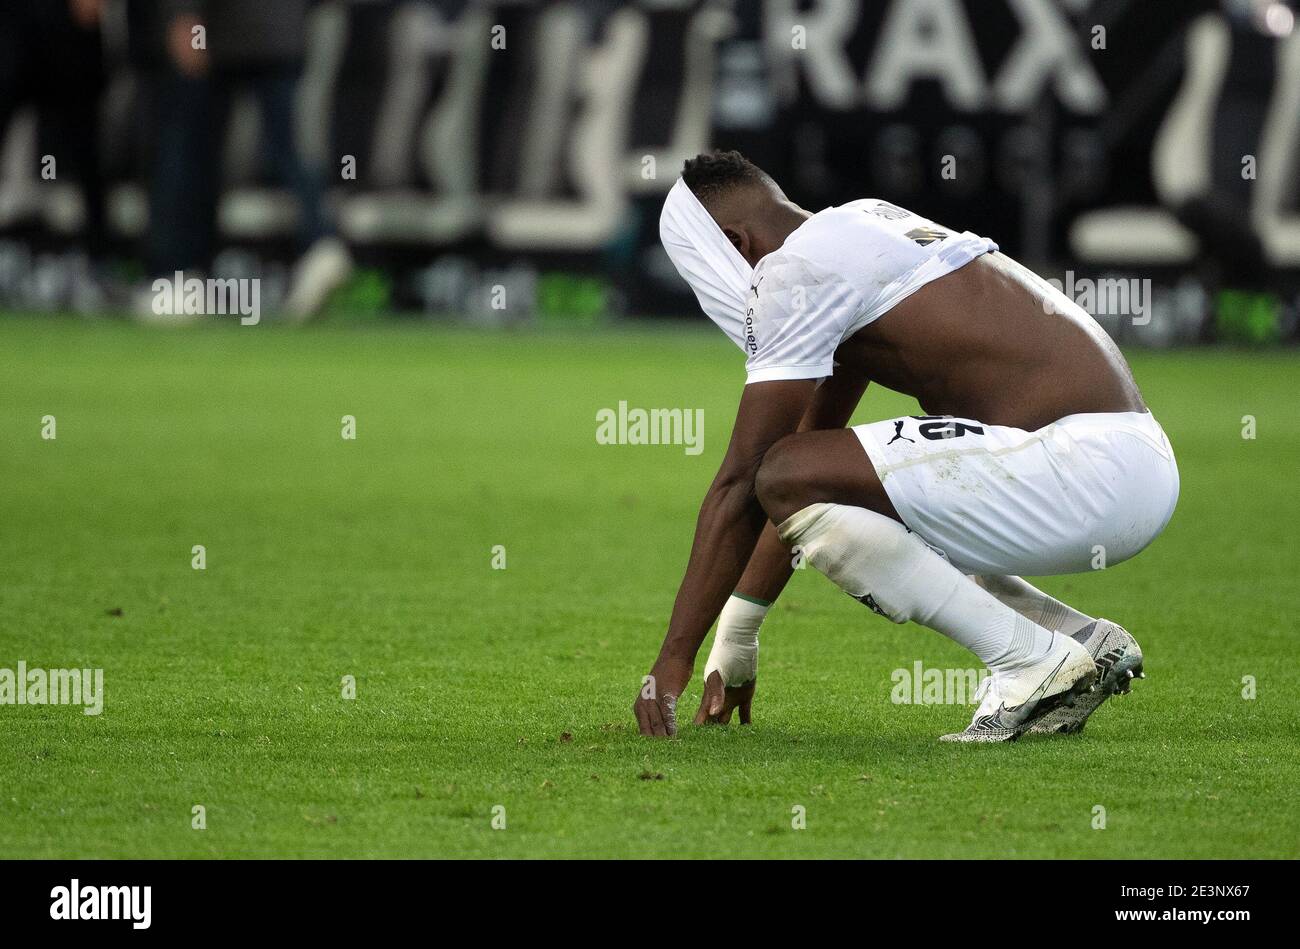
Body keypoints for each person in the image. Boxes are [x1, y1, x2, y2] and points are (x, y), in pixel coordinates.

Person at [633, 151, 1179, 742]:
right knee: (826, 475)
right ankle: (1075, 640)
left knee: (788, 472)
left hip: (1085, 466)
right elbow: (802, 469)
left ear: (736, 245)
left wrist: (672, 661)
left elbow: (750, 480)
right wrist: (737, 635)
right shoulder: (856, 230)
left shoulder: (796, 275)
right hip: (1121, 463)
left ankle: (1029, 661)